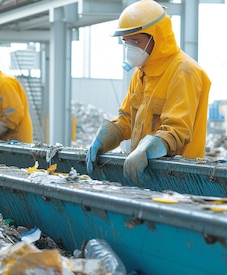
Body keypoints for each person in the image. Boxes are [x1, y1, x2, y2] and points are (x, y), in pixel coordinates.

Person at [86, 0, 211, 184]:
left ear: (156, 37)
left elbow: (178, 130)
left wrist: (146, 148)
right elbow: (127, 119)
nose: (130, 48)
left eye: (135, 41)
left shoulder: (183, 71)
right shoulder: (141, 74)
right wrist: (104, 138)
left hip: (180, 179)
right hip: (147, 176)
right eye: (126, 42)